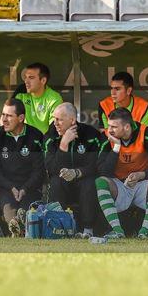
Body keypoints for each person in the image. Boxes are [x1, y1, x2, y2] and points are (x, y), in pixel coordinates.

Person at [95, 108, 148, 239]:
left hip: (141, 185)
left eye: (114, 127)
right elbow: (102, 170)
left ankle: (143, 232)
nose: (109, 130)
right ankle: (118, 231)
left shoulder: (145, 132)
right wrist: (116, 148)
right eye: (109, 126)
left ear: (127, 127)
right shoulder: (108, 136)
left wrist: (142, 174)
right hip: (120, 186)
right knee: (100, 181)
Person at [0, 98, 46, 237]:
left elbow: (39, 170)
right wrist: (11, 187)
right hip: (3, 187)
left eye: (9, 116)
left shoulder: (36, 136)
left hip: (30, 187)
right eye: (3, 115)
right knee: (9, 206)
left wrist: (25, 188)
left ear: (21, 118)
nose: (4, 120)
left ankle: (18, 229)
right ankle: (15, 226)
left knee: (26, 208)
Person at [44, 102, 101, 238]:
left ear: (72, 120)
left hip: (83, 184)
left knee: (89, 182)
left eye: (59, 119)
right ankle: (58, 227)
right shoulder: (51, 136)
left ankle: (88, 230)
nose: (55, 123)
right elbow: (51, 168)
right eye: (54, 118)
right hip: (63, 185)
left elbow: (96, 165)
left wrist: (77, 173)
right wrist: (63, 144)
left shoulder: (91, 135)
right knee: (56, 181)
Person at [13, 62, 63, 134]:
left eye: (31, 78)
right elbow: (8, 118)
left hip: (44, 142)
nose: (26, 81)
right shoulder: (21, 95)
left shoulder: (54, 99)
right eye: (25, 77)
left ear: (43, 81)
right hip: (23, 142)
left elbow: (54, 129)